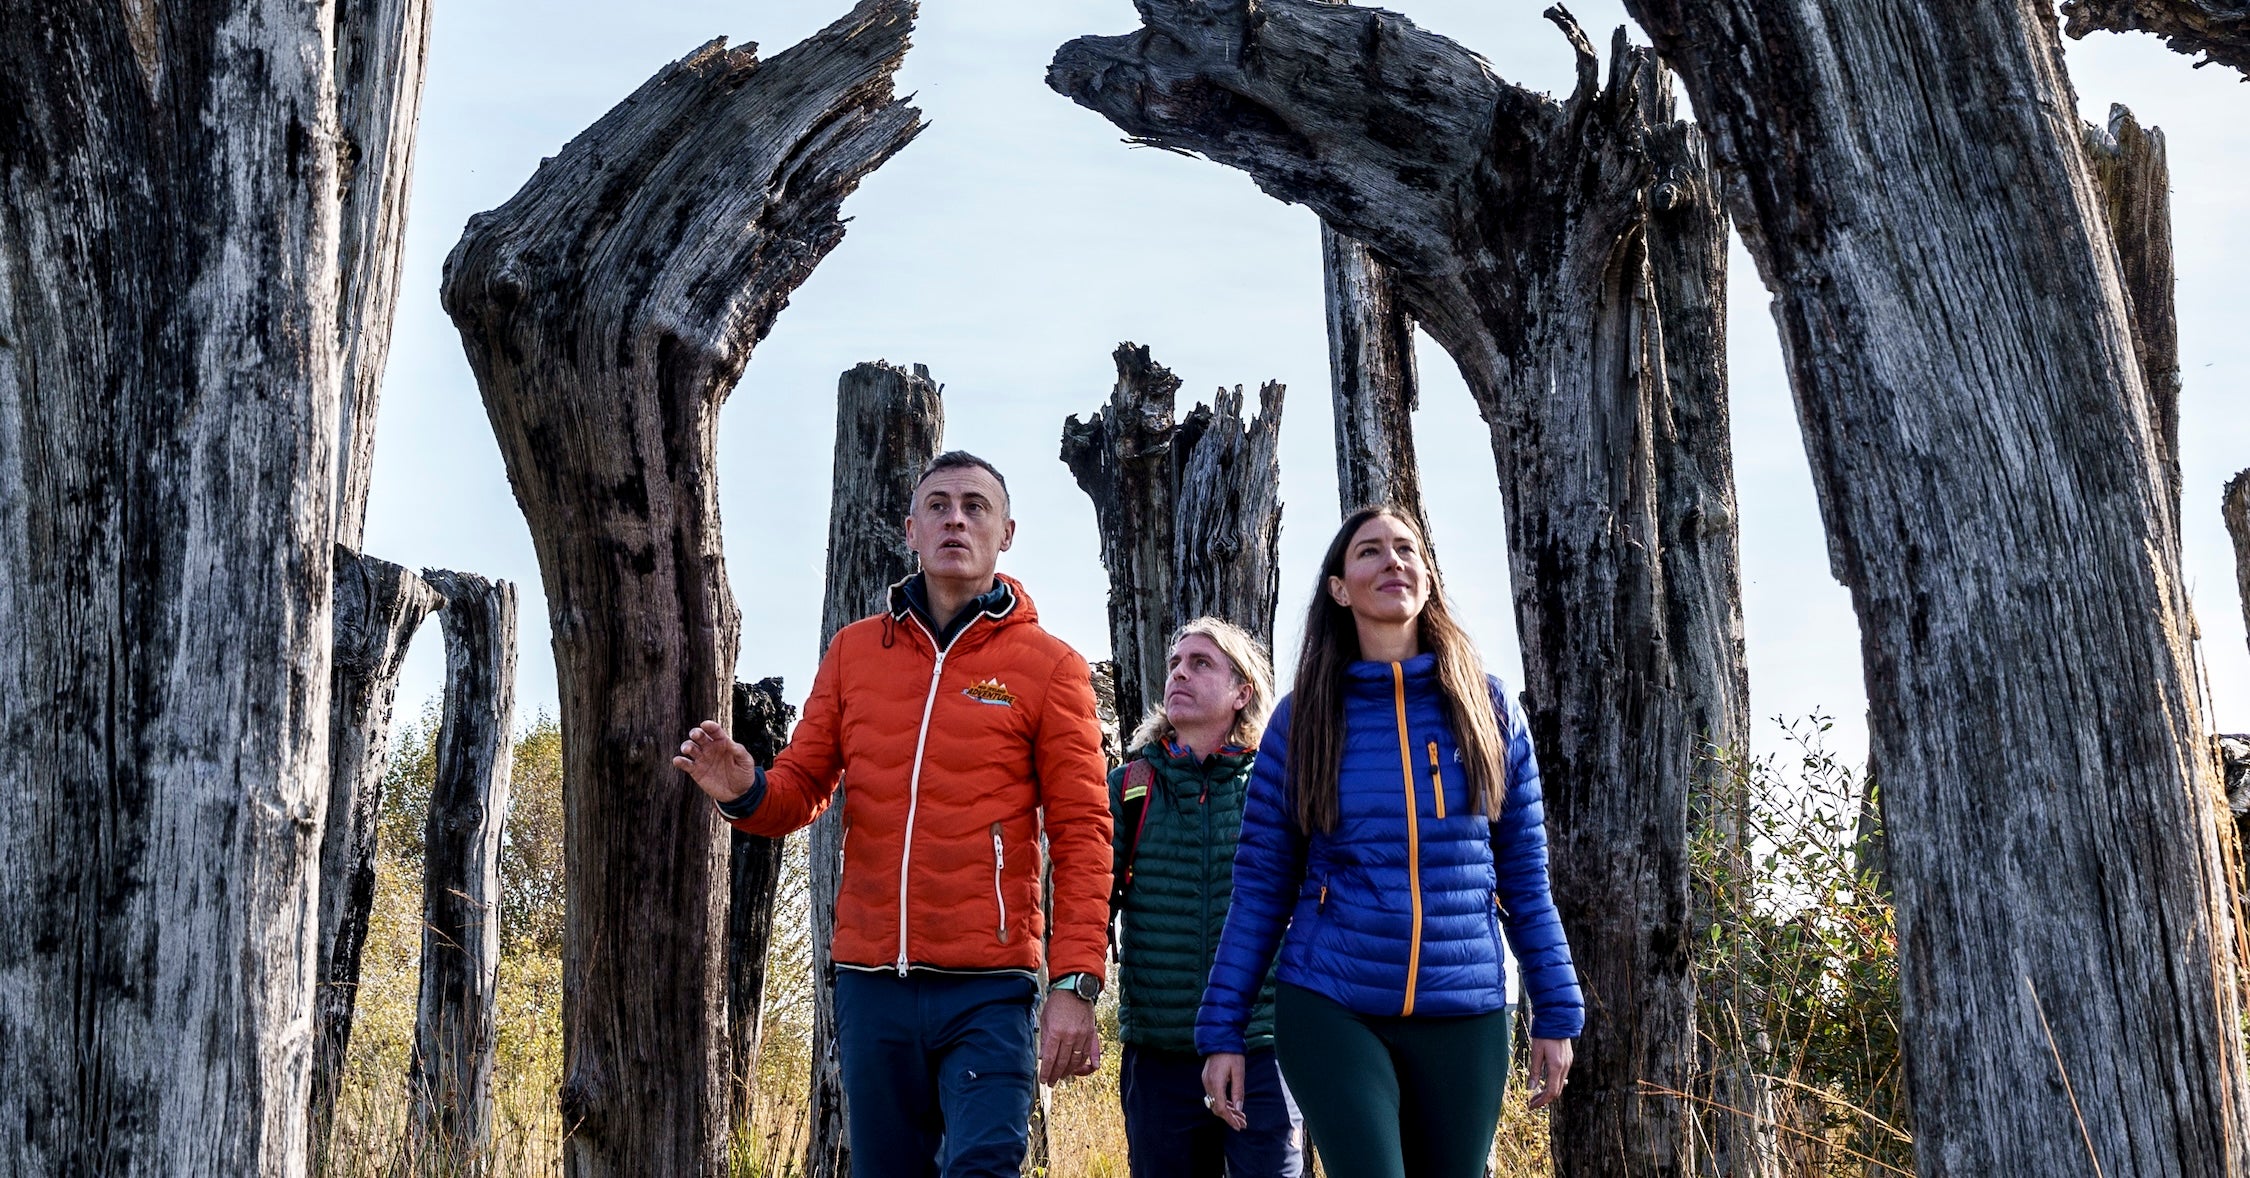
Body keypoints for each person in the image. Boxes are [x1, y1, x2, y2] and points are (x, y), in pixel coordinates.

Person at [674, 452, 1112, 1178]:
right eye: (938, 505)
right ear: (911, 529)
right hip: (872, 981)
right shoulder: (853, 654)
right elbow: (799, 790)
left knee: (985, 1166)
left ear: (1008, 532)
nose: (956, 519)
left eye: (976, 506)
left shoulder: (1050, 666)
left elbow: (1084, 835)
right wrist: (744, 791)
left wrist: (1073, 985)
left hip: (989, 986)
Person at [1196, 506, 1583, 1178]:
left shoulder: (1486, 710)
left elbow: (1525, 880)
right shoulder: (1304, 719)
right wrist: (1221, 1030)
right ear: (1340, 589)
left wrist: (1555, 1009)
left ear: (1427, 579)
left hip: (1464, 1007)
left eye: (1406, 549)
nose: (1393, 561)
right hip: (1332, 1002)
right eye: (1369, 551)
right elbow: (1261, 888)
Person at [1110, 618, 1303, 1178]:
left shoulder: (1279, 788)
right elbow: (1089, 900)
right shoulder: (1131, 786)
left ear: (1242, 692)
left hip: (1262, 1048)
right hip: (1159, 1053)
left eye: (1200, 664)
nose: (1179, 674)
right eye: (1174, 664)